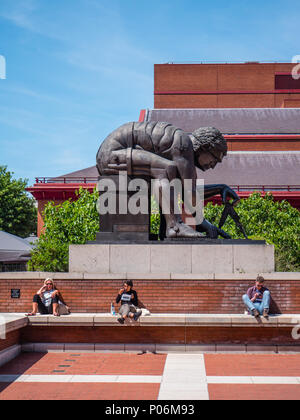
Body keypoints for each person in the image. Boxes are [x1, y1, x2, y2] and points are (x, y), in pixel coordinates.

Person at [97, 122, 240, 239]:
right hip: (111, 155)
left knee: (170, 174)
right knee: (165, 169)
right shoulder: (184, 144)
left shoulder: (183, 149)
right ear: (206, 147)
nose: (213, 166)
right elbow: (190, 194)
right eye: (214, 159)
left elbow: (186, 192)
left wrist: (220, 189)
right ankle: (174, 227)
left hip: (118, 153)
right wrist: (205, 224)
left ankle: (167, 228)